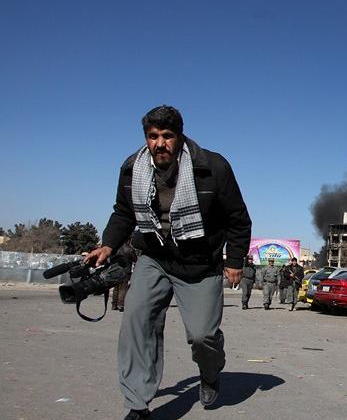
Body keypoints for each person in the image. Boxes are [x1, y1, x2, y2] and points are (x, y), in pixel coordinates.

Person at [83, 105, 252, 419]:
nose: (159, 143)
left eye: (167, 136)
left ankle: (210, 373)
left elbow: (238, 219)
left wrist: (234, 261)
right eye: (153, 136)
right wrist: (107, 245)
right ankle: (137, 403)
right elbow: (123, 212)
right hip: (155, 256)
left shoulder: (213, 167)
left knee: (202, 336)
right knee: (137, 322)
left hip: (200, 263)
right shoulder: (132, 167)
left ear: (180, 136)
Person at [111, 241, 138, 312]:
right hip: (126, 270)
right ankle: (120, 304)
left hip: (116, 270)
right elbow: (135, 260)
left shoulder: (116, 248)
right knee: (123, 288)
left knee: (116, 288)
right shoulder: (130, 249)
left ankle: (114, 304)